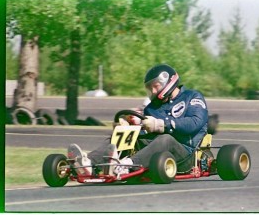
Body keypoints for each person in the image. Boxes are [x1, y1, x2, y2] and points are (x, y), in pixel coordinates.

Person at [67, 64, 209, 175]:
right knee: (127, 136)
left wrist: (161, 124)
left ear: (168, 82)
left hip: (186, 155)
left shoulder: (192, 96)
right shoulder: (152, 108)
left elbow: (195, 123)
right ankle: (88, 164)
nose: (153, 91)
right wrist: (128, 126)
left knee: (166, 139)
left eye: (155, 86)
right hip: (157, 155)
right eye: (149, 88)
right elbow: (146, 134)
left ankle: (126, 165)